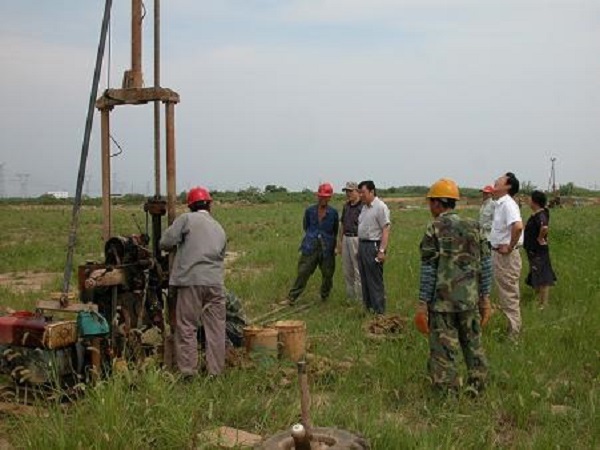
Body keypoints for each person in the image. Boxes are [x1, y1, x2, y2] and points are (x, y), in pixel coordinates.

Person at [414, 178, 492, 394]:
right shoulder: (475, 226)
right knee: (473, 346)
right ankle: (478, 386)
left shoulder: (434, 228)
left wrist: (422, 304)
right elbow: (486, 264)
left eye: (431, 202)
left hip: (442, 303)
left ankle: (448, 392)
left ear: (438, 203)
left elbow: (428, 270)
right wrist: (485, 298)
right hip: (470, 300)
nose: (430, 207)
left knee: (443, 350)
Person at [160, 186, 227, 377]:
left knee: (187, 326)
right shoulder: (218, 227)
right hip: (215, 283)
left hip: (190, 282)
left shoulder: (186, 219)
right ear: (209, 205)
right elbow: (221, 254)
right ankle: (216, 372)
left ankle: (189, 372)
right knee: (216, 329)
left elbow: (166, 242)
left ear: (190, 206)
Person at [284, 183, 339, 305]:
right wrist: (313, 236)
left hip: (327, 247)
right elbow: (306, 226)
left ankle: (324, 297)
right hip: (310, 246)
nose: (323, 199)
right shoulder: (309, 211)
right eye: (321, 196)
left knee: (328, 274)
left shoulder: (333, 213)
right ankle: (292, 297)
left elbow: (335, 230)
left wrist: (334, 246)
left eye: (326, 197)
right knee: (303, 271)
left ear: (330, 197)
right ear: (317, 196)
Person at [489, 172, 523, 339]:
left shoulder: (508, 204)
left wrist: (510, 247)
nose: (496, 180)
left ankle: (514, 335)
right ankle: (510, 329)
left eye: (500, 179)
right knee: (504, 294)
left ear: (508, 186)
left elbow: (517, 227)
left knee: (509, 295)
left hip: (506, 257)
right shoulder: (500, 204)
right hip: (499, 255)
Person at [357, 180, 390, 314]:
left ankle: (379, 312)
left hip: (373, 245)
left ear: (371, 191)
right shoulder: (364, 207)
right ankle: (368, 308)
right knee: (364, 279)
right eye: (359, 193)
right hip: (363, 245)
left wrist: (381, 251)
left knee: (374, 280)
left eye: (363, 192)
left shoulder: (380, 207)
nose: (361, 195)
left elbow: (386, 229)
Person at [524, 190, 557, 309]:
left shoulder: (541, 215)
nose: (528, 201)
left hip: (538, 250)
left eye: (530, 198)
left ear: (535, 201)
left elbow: (544, 227)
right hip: (533, 250)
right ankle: (538, 299)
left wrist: (539, 238)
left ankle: (543, 304)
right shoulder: (537, 214)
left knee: (543, 277)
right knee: (536, 273)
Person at [337, 181, 363, 302]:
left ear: (357, 191)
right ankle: (350, 297)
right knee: (347, 270)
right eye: (346, 191)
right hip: (346, 238)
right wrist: (340, 241)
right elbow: (342, 224)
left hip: (357, 238)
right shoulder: (346, 206)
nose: (348, 194)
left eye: (350, 191)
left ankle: (360, 298)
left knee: (357, 269)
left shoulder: (362, 207)